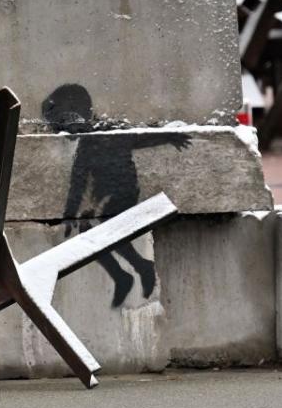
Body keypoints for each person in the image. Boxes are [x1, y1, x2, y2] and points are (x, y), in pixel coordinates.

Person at [42, 84, 190, 307]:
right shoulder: (85, 148)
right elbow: (77, 185)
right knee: (86, 229)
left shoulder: (107, 134)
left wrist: (170, 136)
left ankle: (138, 269)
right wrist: (70, 215)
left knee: (102, 226)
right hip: (104, 199)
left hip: (124, 193)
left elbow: (140, 138)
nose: (67, 133)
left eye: (68, 126)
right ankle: (126, 274)